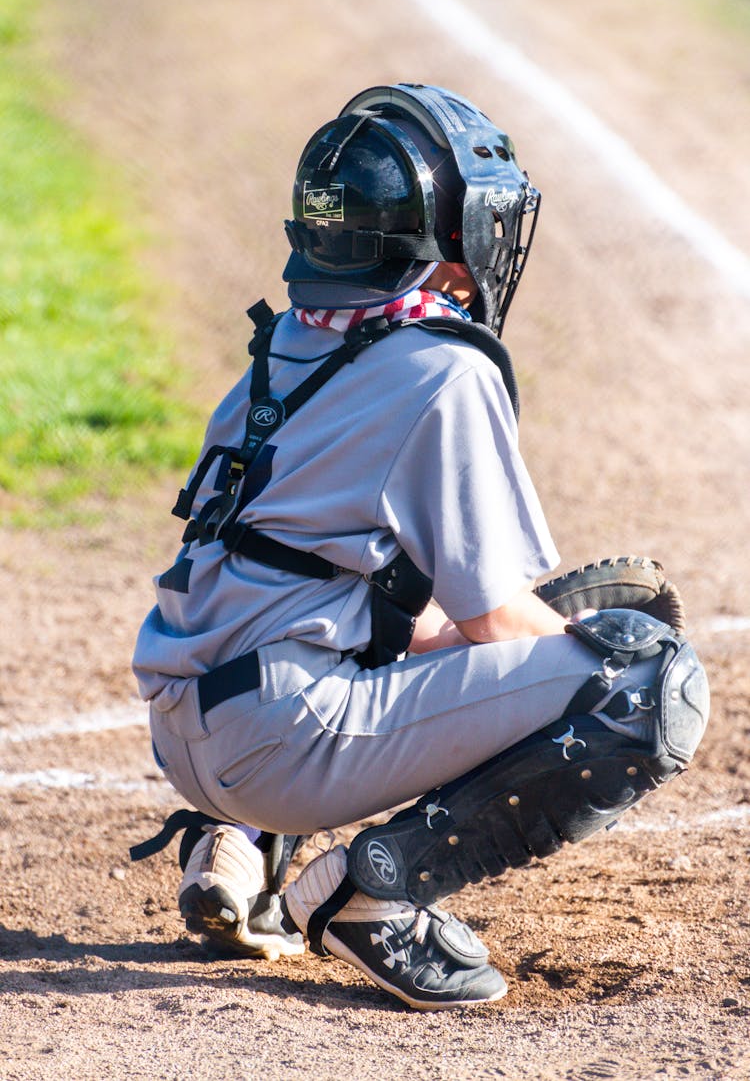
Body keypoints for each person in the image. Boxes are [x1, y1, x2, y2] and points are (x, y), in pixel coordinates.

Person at [131, 84, 709, 1010]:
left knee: (379, 604)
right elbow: (489, 619)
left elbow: (327, 588)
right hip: (281, 744)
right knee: (650, 683)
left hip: (192, 731)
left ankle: (236, 844)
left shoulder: (287, 345)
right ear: (439, 240)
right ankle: (374, 894)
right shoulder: (441, 368)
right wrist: (578, 642)